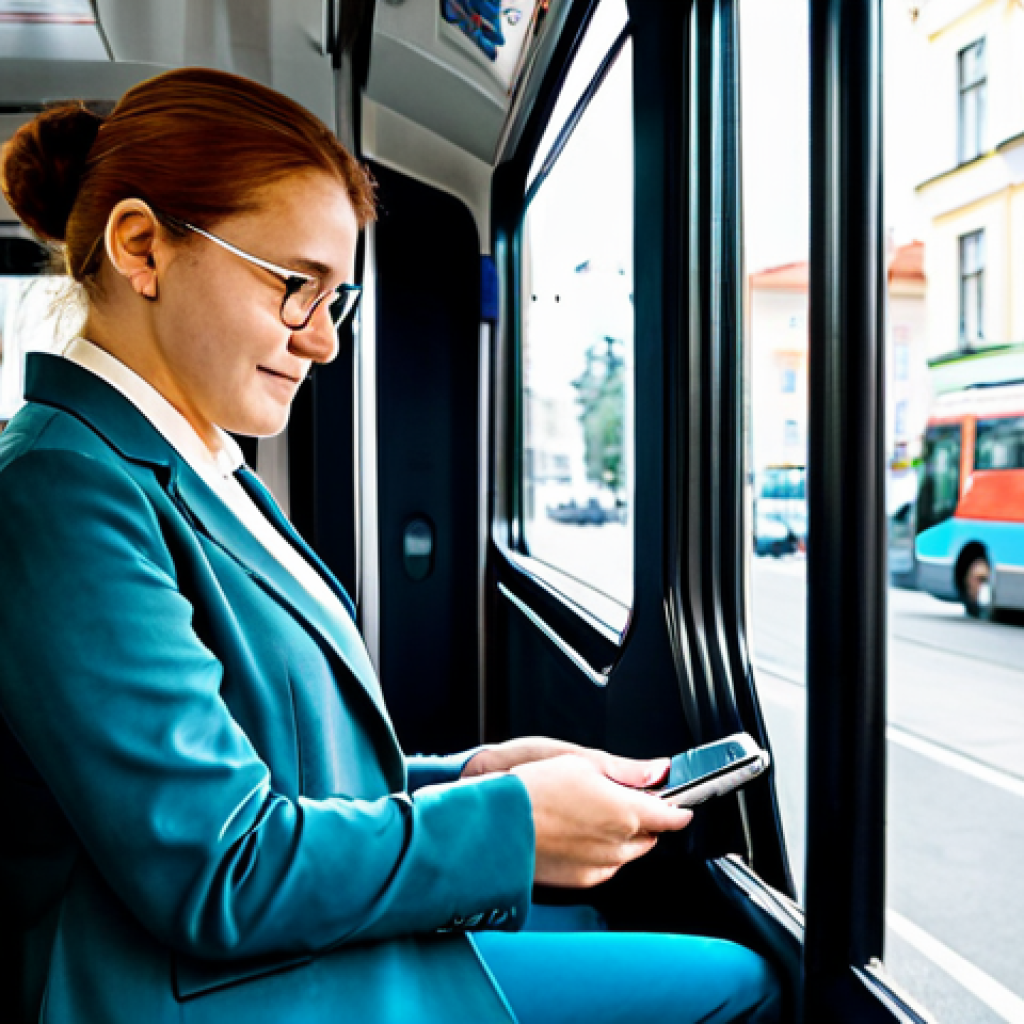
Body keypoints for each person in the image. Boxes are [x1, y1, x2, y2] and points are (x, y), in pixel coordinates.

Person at [0, 68, 781, 1024]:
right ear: (142, 248)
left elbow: (262, 772)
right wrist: (514, 829)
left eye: (339, 301)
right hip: (205, 990)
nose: (322, 343)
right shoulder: (58, 491)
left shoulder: (197, 462)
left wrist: (474, 779)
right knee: (740, 987)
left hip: (267, 951)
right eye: (296, 288)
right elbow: (220, 868)